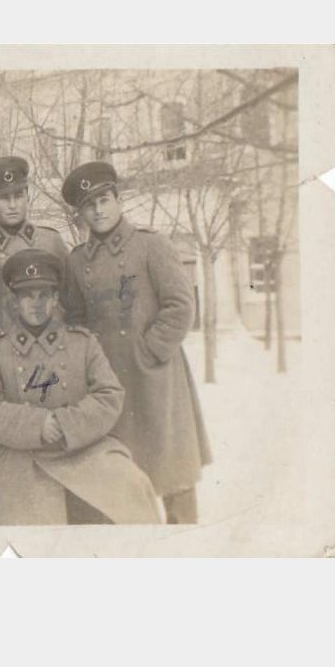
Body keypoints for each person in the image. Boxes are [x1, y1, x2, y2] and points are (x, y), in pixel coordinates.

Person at [61, 161, 211, 524]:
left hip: (156, 378)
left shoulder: (151, 245)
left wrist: (150, 350)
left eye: (104, 200)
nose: (98, 211)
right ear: (81, 213)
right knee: (121, 478)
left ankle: (185, 543)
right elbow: (75, 318)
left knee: (173, 472)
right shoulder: (78, 261)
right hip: (108, 382)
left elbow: (181, 305)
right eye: (89, 205)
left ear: (118, 200)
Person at [0, 249, 161, 526]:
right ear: (15, 301)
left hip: (83, 449)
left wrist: (65, 423)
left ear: (55, 299)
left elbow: (109, 394)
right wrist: (37, 425)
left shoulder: (82, 342)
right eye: (28, 296)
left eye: (44, 295)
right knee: (27, 518)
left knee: (131, 484)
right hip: (22, 454)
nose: (36, 304)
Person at [0, 155, 69, 345]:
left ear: (28, 197)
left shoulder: (51, 242)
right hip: (2, 351)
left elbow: (70, 299)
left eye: (18, 196)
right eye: (4, 198)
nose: (12, 205)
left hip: (52, 347)